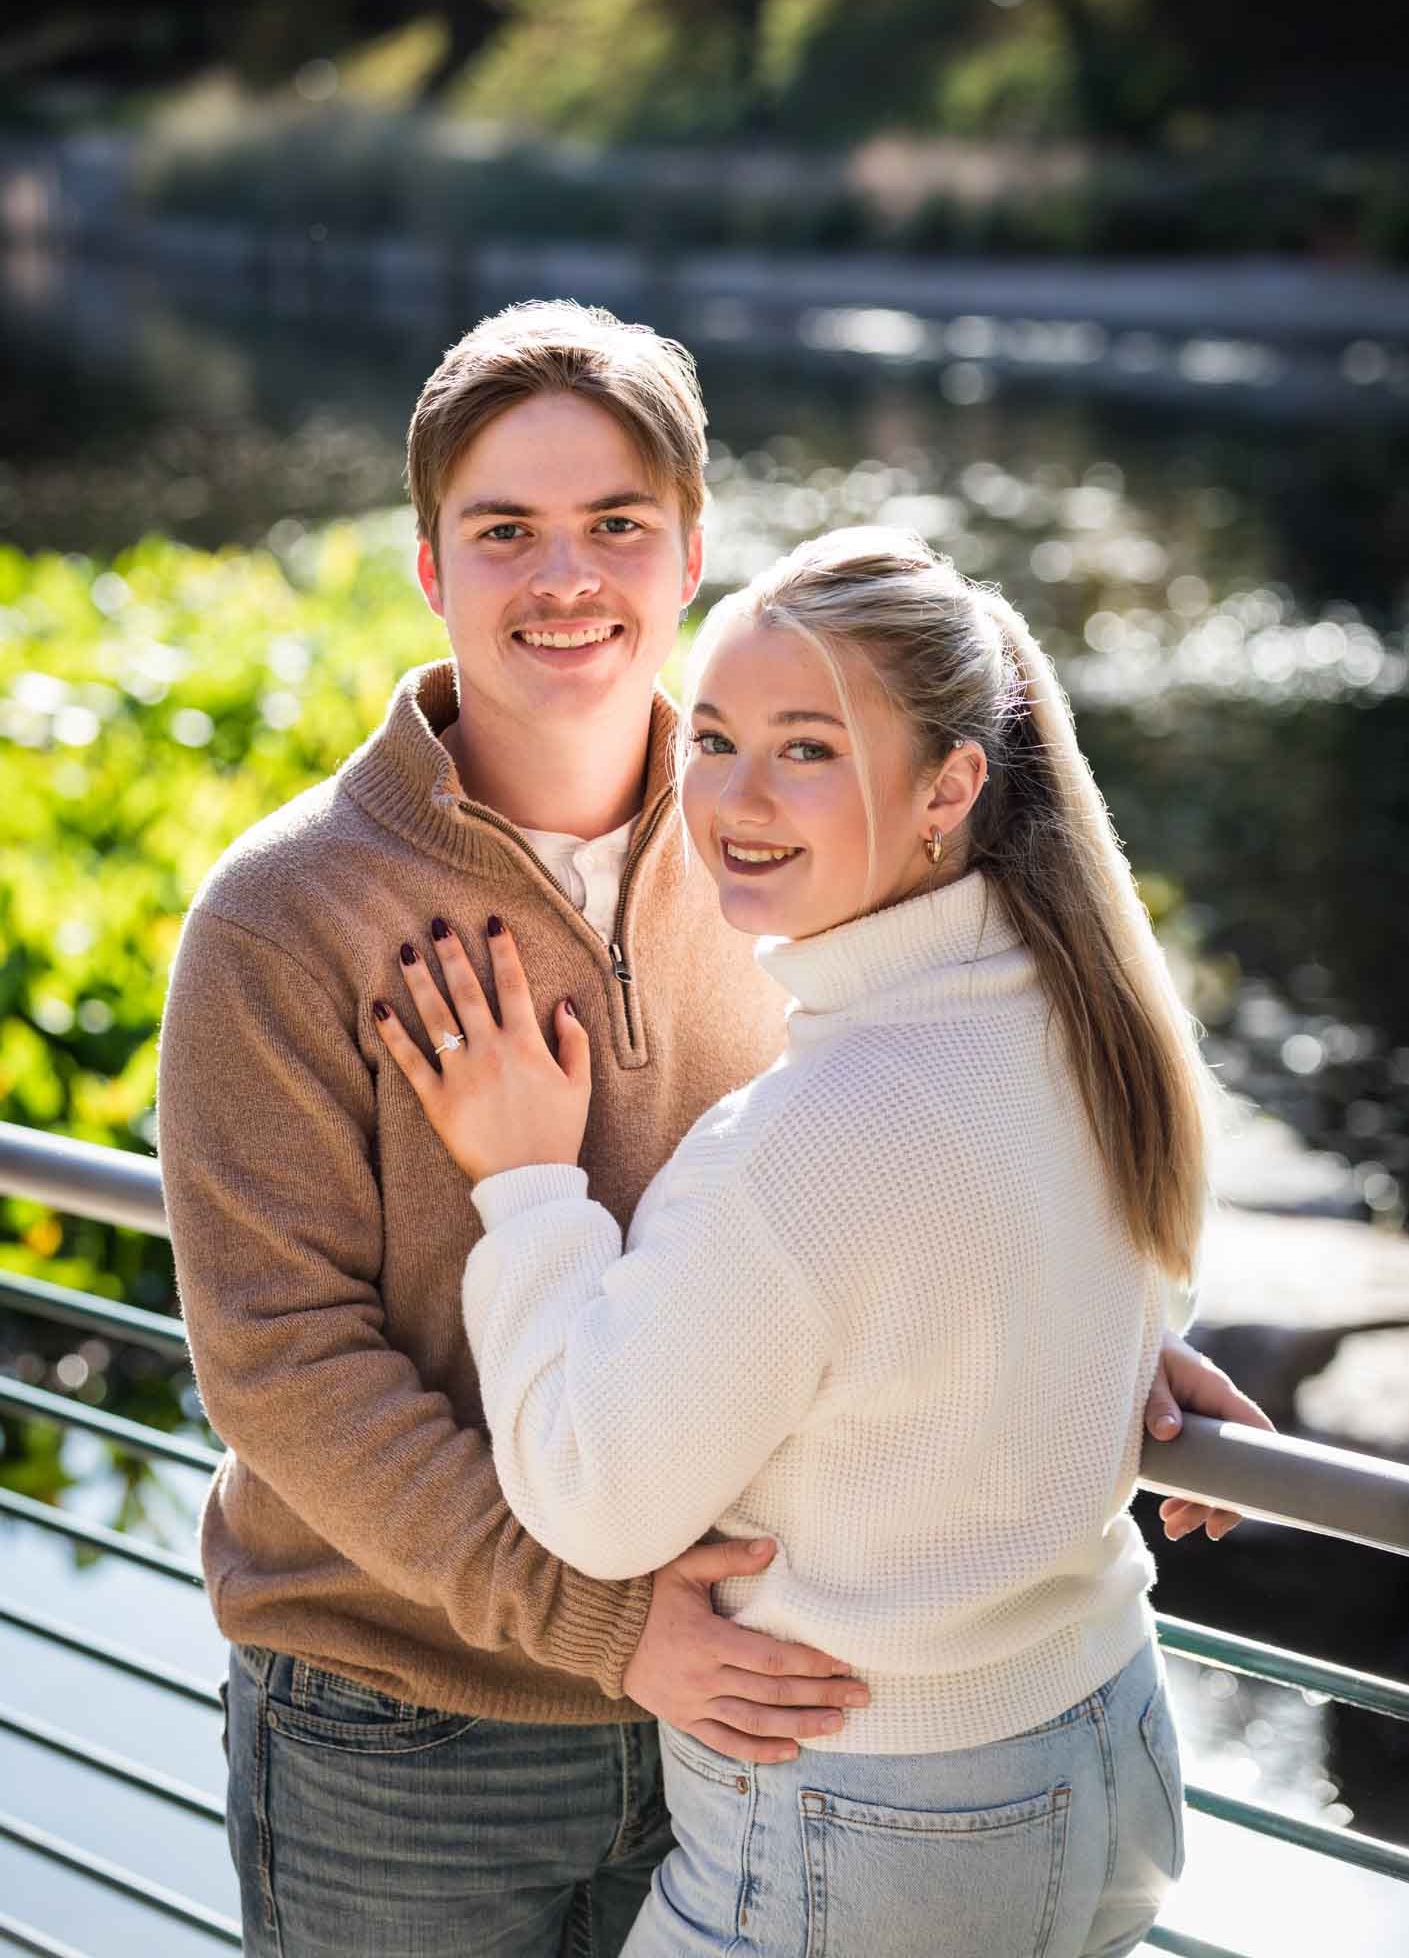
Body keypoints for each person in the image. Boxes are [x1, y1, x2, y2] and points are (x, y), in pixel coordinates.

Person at [158, 301, 1265, 1958]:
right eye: (504, 531)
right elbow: (280, 1367)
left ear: (688, 557)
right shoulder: (281, 915)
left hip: (746, 1720)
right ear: (427, 568)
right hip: (411, 1737)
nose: (565, 577)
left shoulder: (785, 845)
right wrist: (605, 1626)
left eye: (615, 524)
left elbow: (890, 1180)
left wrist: (1059, 1336)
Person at [376, 525, 1240, 1956]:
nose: (733, 796)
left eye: (807, 748)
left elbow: (596, 1499)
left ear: (950, 787)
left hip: (873, 1811)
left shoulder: (805, 1137)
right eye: (710, 737)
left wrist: (528, 1190)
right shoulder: (1084, 1018)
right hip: (1104, 1745)